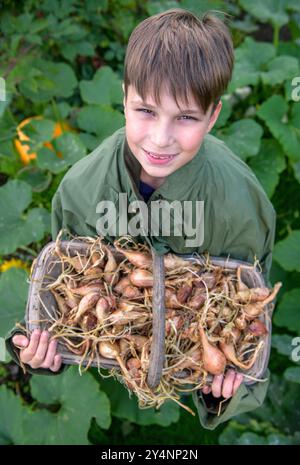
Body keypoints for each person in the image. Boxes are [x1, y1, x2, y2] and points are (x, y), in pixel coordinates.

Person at [6, 8, 276, 430]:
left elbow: (249, 324)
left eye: (185, 117)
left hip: (186, 372)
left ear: (213, 116)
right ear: (124, 97)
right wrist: (45, 355)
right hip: (104, 361)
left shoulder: (240, 203)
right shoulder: (82, 188)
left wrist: (226, 387)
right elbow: (63, 293)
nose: (160, 138)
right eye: (146, 110)